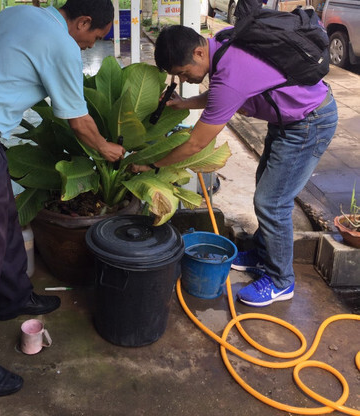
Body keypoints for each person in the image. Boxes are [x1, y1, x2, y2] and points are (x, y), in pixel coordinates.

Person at [0, 0, 125, 397]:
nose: (92, 44)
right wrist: (109, 149)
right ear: (83, 23)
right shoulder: (62, 44)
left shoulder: (19, 13)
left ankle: (13, 298)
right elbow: (78, 121)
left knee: (3, 216)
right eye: (96, 36)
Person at [132, 25, 338, 308]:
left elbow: (195, 144)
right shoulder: (223, 44)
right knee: (267, 188)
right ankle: (260, 255)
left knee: (272, 202)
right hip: (288, 121)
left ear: (198, 52)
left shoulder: (229, 71)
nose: (183, 79)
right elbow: (225, 93)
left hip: (308, 123)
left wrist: (152, 164)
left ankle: (281, 281)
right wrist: (185, 104)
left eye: (182, 72)